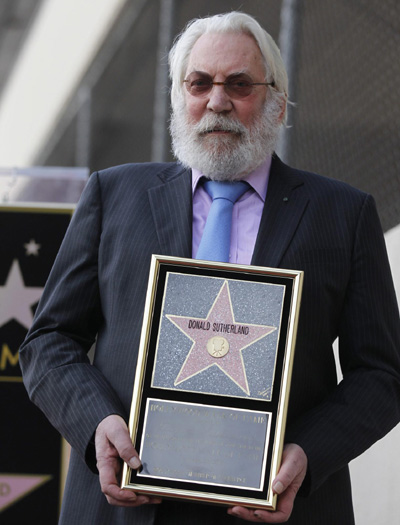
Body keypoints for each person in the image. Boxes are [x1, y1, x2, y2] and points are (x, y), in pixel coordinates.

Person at [19, 11, 400, 525]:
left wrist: (307, 455)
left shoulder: (343, 215)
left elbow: (381, 373)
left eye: (239, 85)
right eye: (200, 83)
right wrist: (97, 425)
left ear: (278, 103)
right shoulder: (115, 195)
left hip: (280, 506)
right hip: (125, 507)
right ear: (180, 96)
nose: (217, 101)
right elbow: (48, 340)